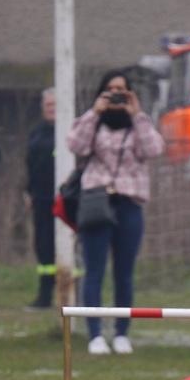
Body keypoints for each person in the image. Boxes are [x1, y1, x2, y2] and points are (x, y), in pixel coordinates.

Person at [66, 69, 165, 355]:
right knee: (93, 270)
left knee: (125, 273)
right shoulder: (93, 123)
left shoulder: (138, 125)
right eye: (110, 91)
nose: (116, 96)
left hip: (129, 203)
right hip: (97, 202)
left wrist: (137, 114)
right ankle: (95, 333)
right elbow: (75, 145)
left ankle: (122, 332)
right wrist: (93, 113)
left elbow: (154, 149)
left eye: (121, 90)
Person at [24, 86, 56, 310]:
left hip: (68, 199)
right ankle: (45, 295)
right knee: (43, 246)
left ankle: (75, 295)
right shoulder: (36, 133)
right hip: (41, 198)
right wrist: (28, 191)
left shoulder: (72, 132)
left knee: (69, 247)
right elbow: (30, 165)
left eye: (56, 105)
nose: (52, 109)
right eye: (48, 105)